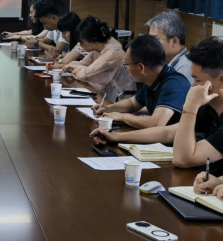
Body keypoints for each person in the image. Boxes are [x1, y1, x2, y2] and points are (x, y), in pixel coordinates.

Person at [91, 37, 223, 171]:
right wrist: (116, 137)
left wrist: (190, 107)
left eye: (197, 80)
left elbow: (182, 159)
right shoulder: (208, 109)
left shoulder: (181, 89)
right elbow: (167, 133)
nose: (193, 86)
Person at [92, 34, 190, 129]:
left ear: (141, 67)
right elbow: (132, 103)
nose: (126, 68)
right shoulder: (152, 78)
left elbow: (156, 124)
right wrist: (108, 108)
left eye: (127, 64)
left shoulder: (174, 84)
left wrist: (122, 117)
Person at [62, 16, 135, 99]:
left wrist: (73, 67)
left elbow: (84, 74)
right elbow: (83, 63)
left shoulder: (111, 53)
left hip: (119, 97)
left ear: (93, 38)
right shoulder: (97, 48)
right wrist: (70, 66)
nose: (80, 45)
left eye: (81, 41)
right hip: (105, 93)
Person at [147, 11, 193, 83]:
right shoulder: (163, 60)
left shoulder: (186, 67)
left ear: (174, 41)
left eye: (155, 39)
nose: (150, 44)